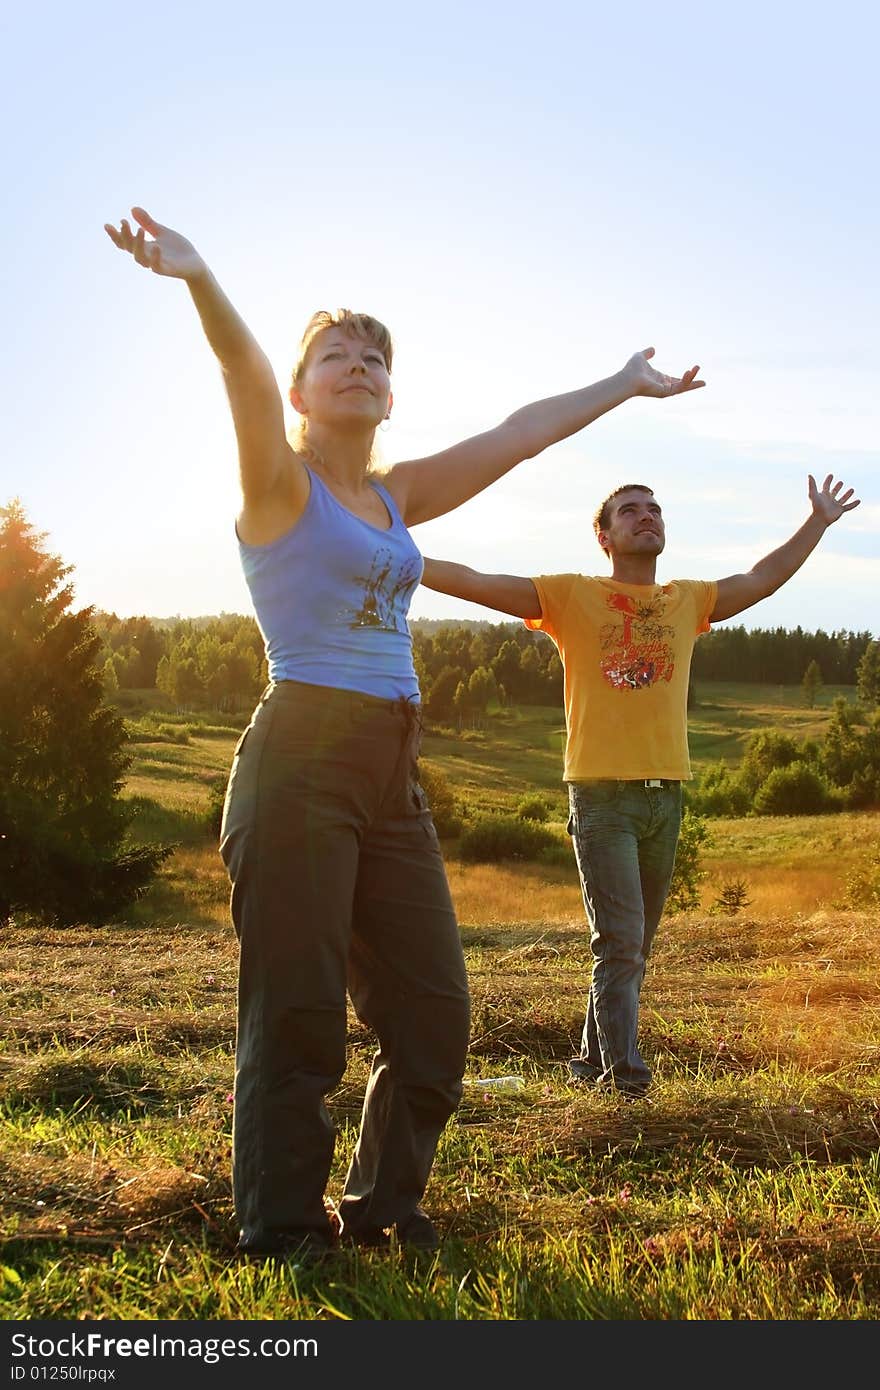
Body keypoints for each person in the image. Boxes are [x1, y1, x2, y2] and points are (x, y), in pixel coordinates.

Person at [104, 205, 705, 1259]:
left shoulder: (394, 495)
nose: (359, 364)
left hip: (392, 768)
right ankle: (282, 1232)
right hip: (299, 758)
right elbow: (243, 377)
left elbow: (515, 438)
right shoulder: (278, 483)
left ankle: (381, 1207)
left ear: (391, 390)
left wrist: (620, 382)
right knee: (296, 1015)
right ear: (301, 391)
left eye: (374, 355)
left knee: (432, 1018)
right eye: (334, 353)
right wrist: (199, 276)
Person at [420, 473, 860, 1098]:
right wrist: (401, 554)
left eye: (654, 509)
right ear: (604, 536)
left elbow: (759, 580)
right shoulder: (570, 596)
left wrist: (816, 522)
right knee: (621, 945)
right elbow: (478, 582)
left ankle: (588, 1065)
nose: (645, 516)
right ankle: (626, 1084)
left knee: (630, 950)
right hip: (602, 798)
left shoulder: (688, 599)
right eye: (629, 511)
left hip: (667, 796)